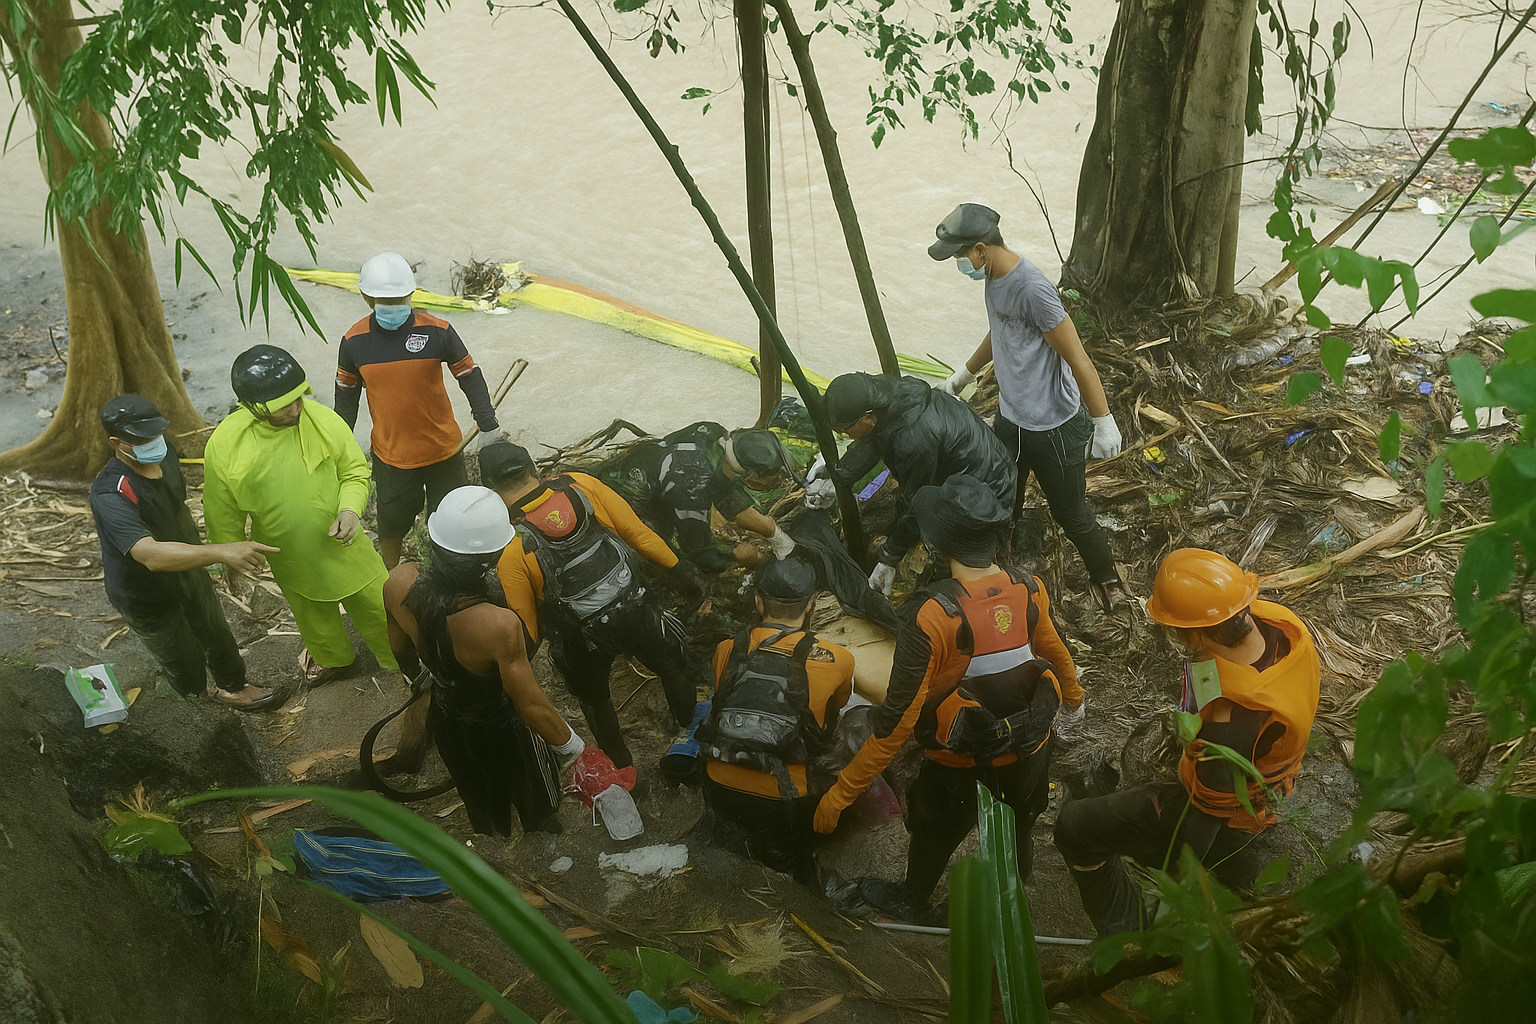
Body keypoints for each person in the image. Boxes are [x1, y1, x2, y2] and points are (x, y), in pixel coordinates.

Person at [811, 475, 1082, 917]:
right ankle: (1017, 874)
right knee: (1021, 812)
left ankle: (913, 898)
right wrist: (1073, 695)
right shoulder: (1029, 587)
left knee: (934, 826)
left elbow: (898, 719)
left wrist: (841, 793)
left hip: (961, 759)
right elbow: (1052, 647)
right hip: (1031, 746)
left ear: (938, 541)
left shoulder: (933, 614)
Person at [1053, 548, 1321, 937]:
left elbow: (1208, 814)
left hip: (1228, 817)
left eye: (1174, 626)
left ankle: (1127, 936)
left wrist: (1177, 881)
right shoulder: (1280, 627)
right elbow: (1211, 683)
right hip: (1256, 779)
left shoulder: (1231, 725)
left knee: (1073, 827)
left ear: (1195, 631)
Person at [927, 203, 1127, 610]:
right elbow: (999, 327)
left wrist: (1103, 421)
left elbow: (1079, 359)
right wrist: (963, 375)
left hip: (1054, 426)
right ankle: (999, 575)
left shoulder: (1034, 289)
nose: (959, 264)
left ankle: (1107, 579)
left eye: (960, 256)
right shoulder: (993, 276)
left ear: (980, 249)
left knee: (1072, 514)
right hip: (1011, 419)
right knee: (1002, 504)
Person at [481, 441, 706, 768]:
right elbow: (636, 533)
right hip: (634, 606)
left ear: (490, 487)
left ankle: (623, 770)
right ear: (534, 469)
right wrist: (680, 569)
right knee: (672, 665)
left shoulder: (510, 542)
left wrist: (511, 668)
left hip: (581, 637)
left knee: (596, 700)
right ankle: (690, 730)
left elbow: (527, 625)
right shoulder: (580, 484)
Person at [383, 486, 586, 836]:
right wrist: (573, 747)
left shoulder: (399, 580)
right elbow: (531, 705)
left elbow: (399, 647)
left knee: (473, 781)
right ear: (490, 558)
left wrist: (418, 678)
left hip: (448, 715)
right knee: (531, 783)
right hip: (499, 721)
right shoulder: (497, 623)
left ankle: (493, 831)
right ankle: (538, 824)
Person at [204, 345, 398, 684]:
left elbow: (354, 472)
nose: (296, 409)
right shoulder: (225, 445)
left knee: (377, 603)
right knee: (311, 613)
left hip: (346, 544)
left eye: (298, 398)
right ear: (252, 406)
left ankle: (400, 656)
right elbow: (221, 507)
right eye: (283, 406)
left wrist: (351, 510)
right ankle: (334, 660)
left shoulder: (323, 420)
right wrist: (228, 552)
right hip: (289, 553)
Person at [89, 395, 279, 709]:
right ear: (116, 442)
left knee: (216, 632)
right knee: (182, 660)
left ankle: (232, 687)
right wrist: (221, 552)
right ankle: (196, 709)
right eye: (143, 439)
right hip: (146, 594)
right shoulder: (112, 492)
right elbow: (148, 554)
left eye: (156, 433)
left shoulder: (166, 456)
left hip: (189, 569)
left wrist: (205, 556)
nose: (154, 443)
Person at [335, 252, 504, 569]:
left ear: (411, 294)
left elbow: (469, 375)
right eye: (384, 298)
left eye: (399, 297)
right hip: (392, 458)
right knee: (391, 525)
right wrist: (338, 449)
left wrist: (489, 427)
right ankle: (392, 579)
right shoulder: (354, 341)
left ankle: (452, 577)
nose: (393, 303)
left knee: (456, 522)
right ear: (365, 297)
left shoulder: (437, 330)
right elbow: (345, 400)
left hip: (444, 453)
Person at [700, 556, 854, 886]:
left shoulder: (727, 649)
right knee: (860, 720)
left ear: (758, 601)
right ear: (812, 603)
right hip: (786, 805)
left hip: (719, 792)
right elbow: (833, 715)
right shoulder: (840, 658)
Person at [804, 371, 1016, 597]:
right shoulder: (892, 394)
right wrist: (837, 474)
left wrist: (889, 557)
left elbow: (917, 501)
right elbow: (878, 438)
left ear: (867, 417)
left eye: (845, 430)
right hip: (981, 472)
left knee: (922, 517)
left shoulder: (912, 440)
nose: (844, 435)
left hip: (987, 501)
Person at [634, 421, 799, 572]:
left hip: (661, 475)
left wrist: (775, 534)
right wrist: (741, 558)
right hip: (637, 507)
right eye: (770, 480)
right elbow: (696, 551)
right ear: (750, 478)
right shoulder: (692, 487)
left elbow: (725, 492)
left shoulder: (715, 436)